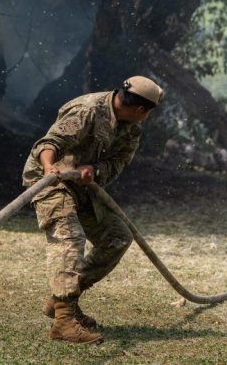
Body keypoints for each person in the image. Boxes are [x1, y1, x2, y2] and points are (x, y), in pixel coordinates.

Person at [22, 76, 164, 344]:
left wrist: (95, 169)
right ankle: (63, 321)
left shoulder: (131, 129)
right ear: (141, 110)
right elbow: (47, 144)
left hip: (82, 185)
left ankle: (62, 300)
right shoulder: (88, 110)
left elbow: (118, 162)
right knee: (69, 238)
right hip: (49, 179)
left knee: (117, 237)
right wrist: (51, 167)